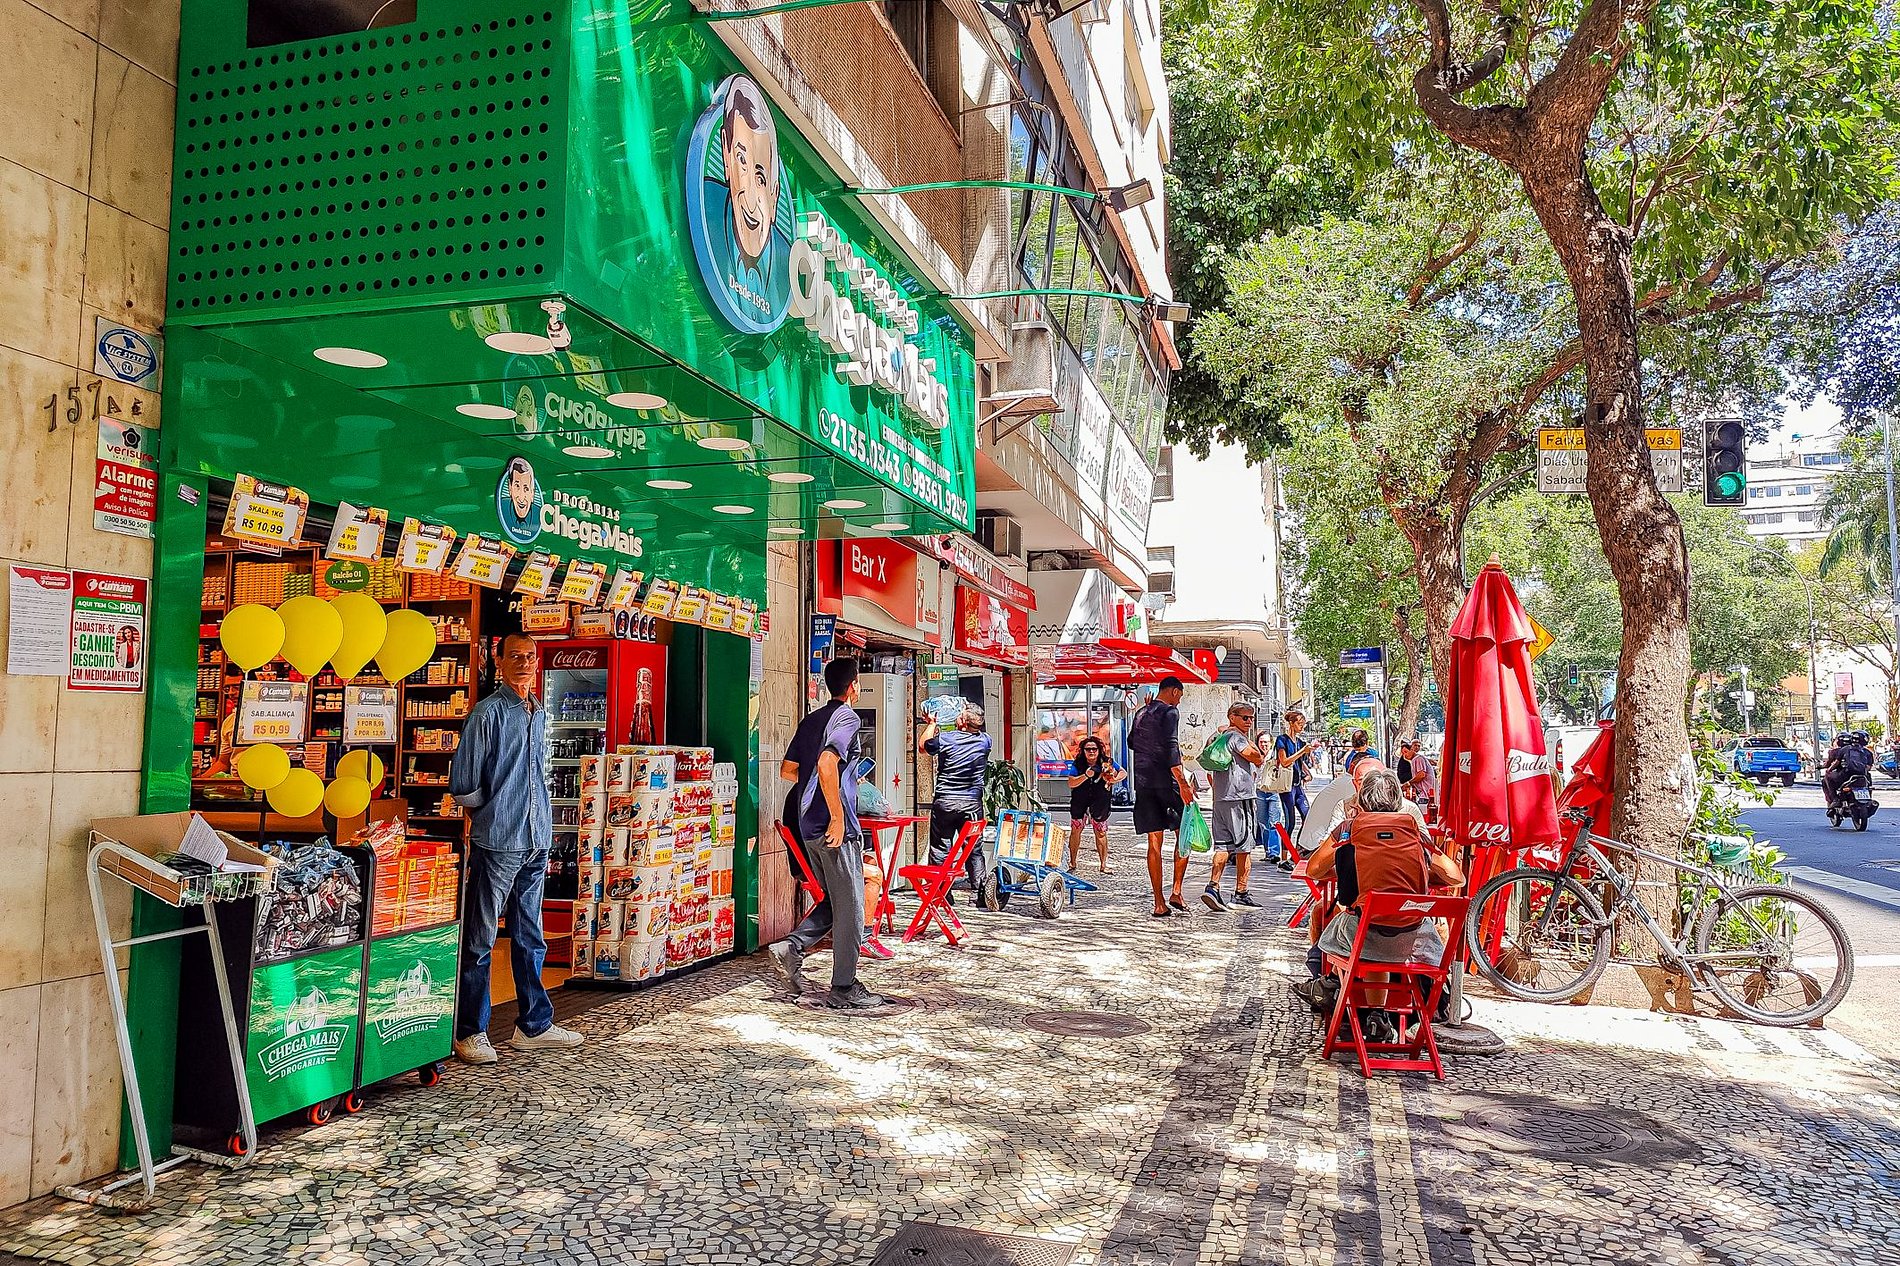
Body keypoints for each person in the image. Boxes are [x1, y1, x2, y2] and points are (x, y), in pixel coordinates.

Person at [448, 632, 585, 1064]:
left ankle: (534, 1025)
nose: (523, 663)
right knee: (481, 938)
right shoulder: (487, 713)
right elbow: (464, 782)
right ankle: (470, 1031)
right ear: (499, 661)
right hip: (499, 840)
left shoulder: (538, 711)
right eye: (515, 656)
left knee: (530, 935)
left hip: (536, 838)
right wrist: (492, 817)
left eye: (529, 656)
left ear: (537, 662)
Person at [1308, 769, 1464, 1042]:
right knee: (1378, 923)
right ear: (1398, 801)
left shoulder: (1349, 828)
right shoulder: (1414, 830)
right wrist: (1423, 870)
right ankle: (1376, 1015)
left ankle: (1331, 985)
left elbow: (1314, 870)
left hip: (1365, 937)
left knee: (1346, 920)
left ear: (1361, 800)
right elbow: (1456, 877)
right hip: (1414, 941)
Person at [772, 659, 884, 1010]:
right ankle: (844, 987)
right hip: (832, 827)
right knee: (851, 908)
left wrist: (821, 787)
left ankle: (791, 947)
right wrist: (836, 814)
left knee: (835, 901)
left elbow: (788, 770)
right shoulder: (847, 718)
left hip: (806, 824)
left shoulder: (811, 719)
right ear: (853, 686)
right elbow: (826, 762)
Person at [1129, 675, 1197, 917]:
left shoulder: (1141, 712)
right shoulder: (1170, 712)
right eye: (1180, 696)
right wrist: (1183, 783)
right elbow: (1171, 748)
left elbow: (1131, 742)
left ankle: (1159, 902)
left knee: (1154, 843)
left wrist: (1145, 714)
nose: (1179, 702)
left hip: (1144, 783)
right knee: (1184, 834)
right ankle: (1176, 890)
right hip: (1167, 784)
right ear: (1174, 692)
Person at [919, 703, 993, 901]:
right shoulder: (986, 741)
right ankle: (980, 894)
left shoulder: (946, 739)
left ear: (962, 722)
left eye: (960, 715)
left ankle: (942, 893)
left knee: (940, 848)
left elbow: (923, 747)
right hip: (972, 804)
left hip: (946, 802)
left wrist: (931, 724)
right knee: (973, 847)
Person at [1203, 702, 1267, 911]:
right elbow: (1257, 757)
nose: (1249, 721)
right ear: (1232, 717)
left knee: (1222, 846)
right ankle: (1241, 892)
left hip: (1220, 798)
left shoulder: (1218, 737)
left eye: (1251, 718)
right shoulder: (1237, 737)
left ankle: (1213, 886)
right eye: (1245, 717)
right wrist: (1251, 742)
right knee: (1244, 848)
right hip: (1240, 797)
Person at [1067, 735, 1125, 874]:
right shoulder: (1078, 764)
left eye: (1094, 749)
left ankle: (1103, 864)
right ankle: (1072, 862)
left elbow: (1123, 772)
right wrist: (1086, 775)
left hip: (1100, 801)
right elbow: (1071, 782)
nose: (1091, 751)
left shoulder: (1107, 761)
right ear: (1083, 751)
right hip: (1080, 800)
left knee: (1101, 832)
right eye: (1088, 749)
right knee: (1075, 830)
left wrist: (1113, 780)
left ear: (1099, 750)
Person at [1274, 709, 1316, 842]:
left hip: (1298, 785)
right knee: (1290, 822)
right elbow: (1284, 762)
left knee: (1307, 817)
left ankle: (1299, 847)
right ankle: (1284, 852)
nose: (1302, 727)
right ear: (1291, 723)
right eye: (1299, 724)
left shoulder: (1300, 742)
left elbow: (1299, 762)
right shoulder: (1282, 740)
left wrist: (1307, 773)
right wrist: (1302, 751)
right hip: (1287, 786)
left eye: (1303, 724)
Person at [1822, 731, 1874, 808]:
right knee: (1868, 779)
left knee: (1828, 777)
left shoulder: (1845, 749)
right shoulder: (1868, 752)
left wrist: (1829, 770)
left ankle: (1835, 799)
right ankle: (1869, 798)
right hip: (1863, 775)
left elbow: (1836, 762)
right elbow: (1869, 767)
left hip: (1846, 775)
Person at [1398, 737, 1438, 809]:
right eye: (1403, 753)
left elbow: (1421, 775)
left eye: (1406, 752)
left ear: (1412, 750)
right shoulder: (1415, 760)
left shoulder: (1418, 759)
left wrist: (1409, 783)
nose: (1404, 755)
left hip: (1425, 794)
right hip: (1423, 794)